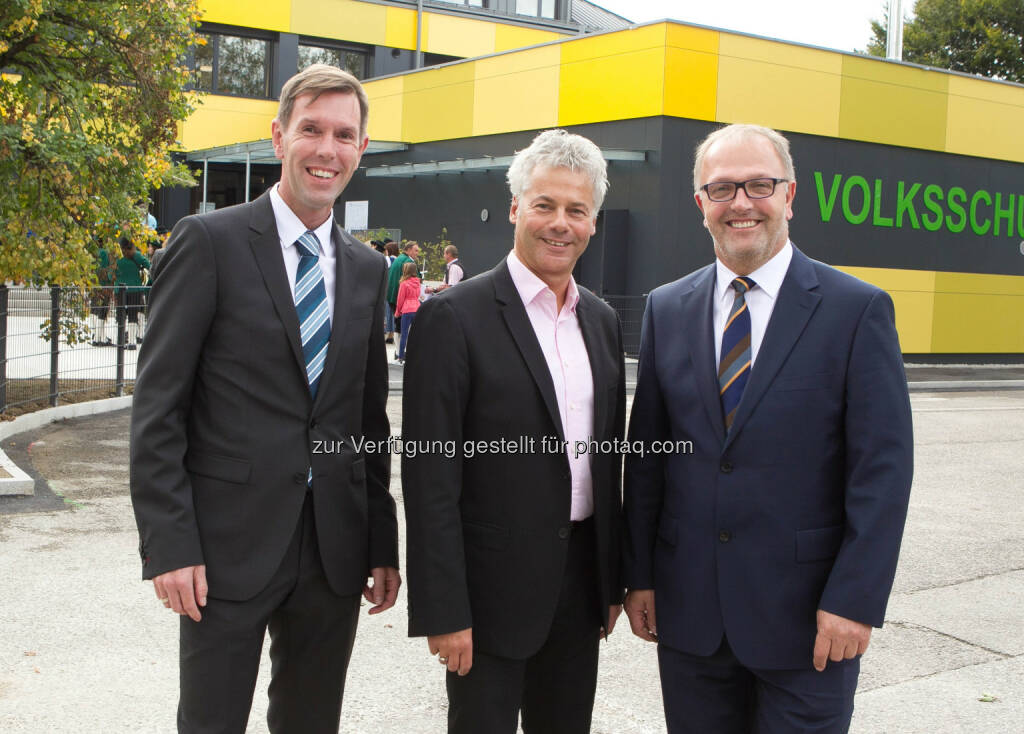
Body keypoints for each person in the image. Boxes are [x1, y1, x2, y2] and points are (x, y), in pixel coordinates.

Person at [129, 63, 400, 734]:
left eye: (344, 134)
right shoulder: (208, 243)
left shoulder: (367, 269)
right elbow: (158, 407)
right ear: (279, 137)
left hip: (333, 549)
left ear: (361, 149)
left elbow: (367, 420)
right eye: (312, 129)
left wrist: (381, 542)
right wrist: (169, 543)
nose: (327, 150)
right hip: (223, 549)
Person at [623, 123, 914, 733]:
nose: (742, 203)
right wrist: (640, 576)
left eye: (760, 184)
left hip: (810, 623)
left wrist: (853, 601)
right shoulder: (667, 308)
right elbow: (649, 458)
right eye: (723, 188)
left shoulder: (855, 310)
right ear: (700, 203)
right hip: (691, 617)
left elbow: (881, 474)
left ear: (790, 195)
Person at [402, 128, 626, 734]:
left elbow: (609, 466)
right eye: (545, 205)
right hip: (487, 598)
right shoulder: (453, 318)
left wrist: (611, 580)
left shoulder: (600, 322)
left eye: (576, 210)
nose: (560, 223)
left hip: (579, 593)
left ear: (593, 222)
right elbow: (429, 479)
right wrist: (443, 610)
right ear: (515, 210)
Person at [115, 237, 150, 349]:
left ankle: (120, 340)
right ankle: (132, 342)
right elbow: (148, 265)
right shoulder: (137, 255)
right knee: (133, 315)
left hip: (120, 290)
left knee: (121, 314)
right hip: (135, 288)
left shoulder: (117, 257)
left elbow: (111, 273)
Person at [393, 261, 421, 363]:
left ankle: (400, 357)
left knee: (404, 334)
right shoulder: (418, 282)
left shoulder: (404, 284)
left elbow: (400, 300)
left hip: (407, 309)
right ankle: (415, 357)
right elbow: (418, 296)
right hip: (417, 308)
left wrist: (397, 312)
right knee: (414, 334)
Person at [386, 239, 419, 327]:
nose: (417, 253)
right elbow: (417, 280)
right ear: (408, 250)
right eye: (416, 250)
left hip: (391, 296)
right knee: (403, 327)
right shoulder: (409, 261)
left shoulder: (399, 258)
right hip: (401, 300)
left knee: (398, 325)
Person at [383, 240, 399, 344]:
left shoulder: (387, 260)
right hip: (397, 289)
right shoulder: (399, 260)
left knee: (388, 312)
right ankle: (392, 334)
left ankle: (389, 334)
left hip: (387, 289)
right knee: (394, 312)